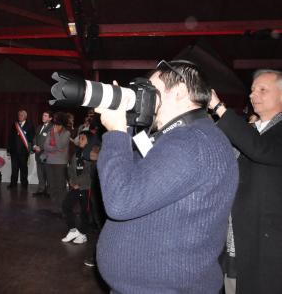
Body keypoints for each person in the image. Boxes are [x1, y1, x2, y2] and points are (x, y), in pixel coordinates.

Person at [95, 60, 238, 293]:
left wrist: (116, 133)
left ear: (180, 92)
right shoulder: (185, 136)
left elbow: (121, 201)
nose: (145, 96)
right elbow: (134, 175)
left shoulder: (192, 142)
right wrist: (129, 122)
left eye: (151, 90)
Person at [210, 69, 282, 294]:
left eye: (262, 90)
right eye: (252, 90)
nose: (253, 95)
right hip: (235, 233)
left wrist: (219, 108)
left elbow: (259, 150)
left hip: (267, 238)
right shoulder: (250, 129)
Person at [61, 134, 93, 244]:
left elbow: (89, 173)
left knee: (84, 211)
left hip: (85, 187)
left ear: (88, 141)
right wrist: (71, 182)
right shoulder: (76, 153)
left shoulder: (91, 155)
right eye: (80, 138)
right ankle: (73, 230)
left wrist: (79, 184)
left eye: (83, 138)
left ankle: (83, 234)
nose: (80, 140)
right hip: (76, 186)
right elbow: (70, 170)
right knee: (66, 205)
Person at [43, 112, 71, 214]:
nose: (55, 126)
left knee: (60, 186)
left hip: (60, 163)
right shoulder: (51, 131)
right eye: (55, 124)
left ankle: (63, 207)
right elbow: (45, 146)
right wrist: (54, 149)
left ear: (61, 125)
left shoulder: (66, 133)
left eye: (57, 125)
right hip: (49, 162)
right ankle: (56, 206)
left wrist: (55, 135)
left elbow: (60, 145)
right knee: (52, 186)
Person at [7, 109, 34, 188]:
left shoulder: (30, 125)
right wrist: (9, 149)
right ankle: (13, 184)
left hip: (23, 152)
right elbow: (10, 138)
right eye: (19, 115)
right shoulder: (14, 124)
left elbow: (32, 138)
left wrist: (30, 149)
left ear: (25, 116)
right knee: (14, 169)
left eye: (21, 115)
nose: (19, 116)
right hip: (14, 151)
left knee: (23, 169)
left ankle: (24, 184)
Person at [32, 111, 53, 197]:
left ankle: (49, 192)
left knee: (48, 174)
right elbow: (35, 138)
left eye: (45, 115)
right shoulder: (39, 127)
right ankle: (41, 189)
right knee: (40, 174)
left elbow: (52, 141)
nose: (43, 117)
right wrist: (34, 146)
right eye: (43, 115)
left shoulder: (52, 128)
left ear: (50, 118)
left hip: (47, 155)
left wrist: (42, 148)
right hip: (38, 154)